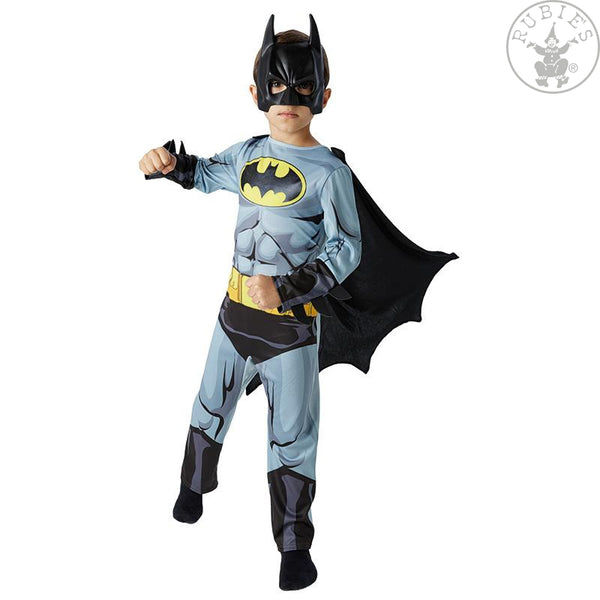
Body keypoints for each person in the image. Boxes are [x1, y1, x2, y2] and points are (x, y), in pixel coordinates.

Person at [139, 14, 361, 591]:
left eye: (303, 88)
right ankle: (193, 487)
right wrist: (167, 164)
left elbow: (347, 250)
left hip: (291, 326)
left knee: (291, 435)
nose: (288, 100)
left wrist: (286, 288)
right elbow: (204, 173)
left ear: (324, 97)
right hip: (234, 315)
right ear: (257, 92)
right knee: (209, 403)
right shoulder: (248, 153)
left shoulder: (330, 172)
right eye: (276, 86)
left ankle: (293, 546)